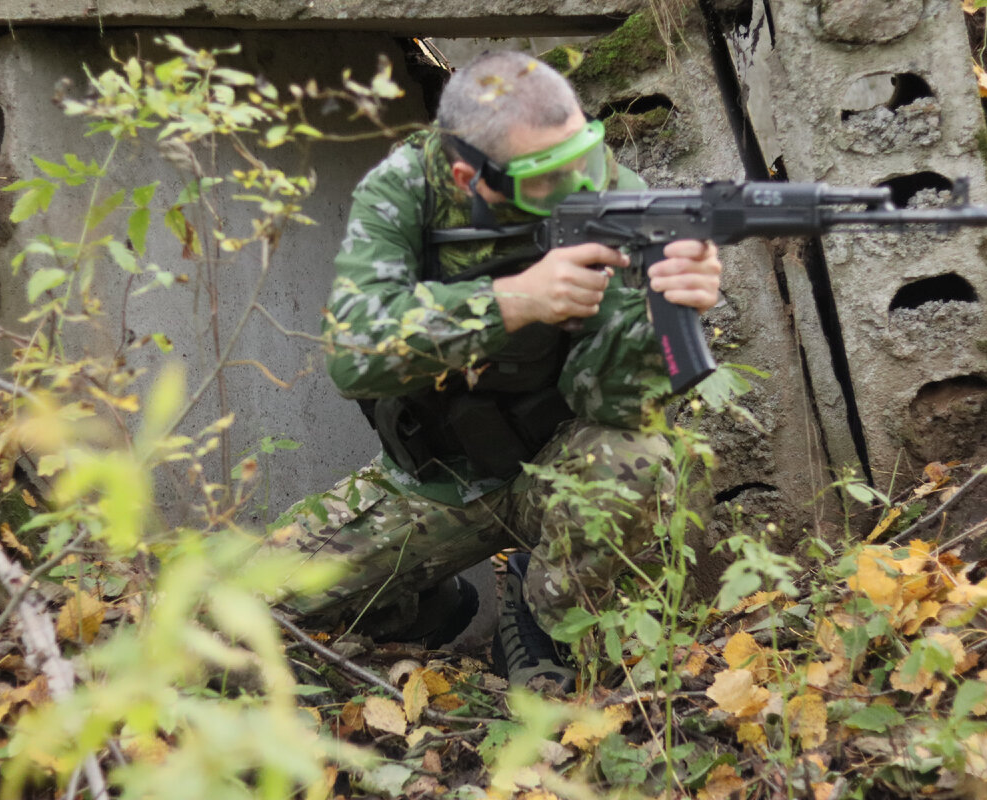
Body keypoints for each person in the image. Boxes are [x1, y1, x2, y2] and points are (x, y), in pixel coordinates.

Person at [268, 51, 723, 690]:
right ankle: (425, 607)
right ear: (468, 175)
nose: (580, 186)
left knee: (640, 455)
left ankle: (545, 626)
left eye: (583, 158)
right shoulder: (404, 192)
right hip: (432, 485)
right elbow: (354, 357)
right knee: (231, 612)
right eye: (546, 176)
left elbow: (617, 402)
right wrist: (514, 302)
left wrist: (663, 309)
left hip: (553, 468)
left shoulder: (605, 190)